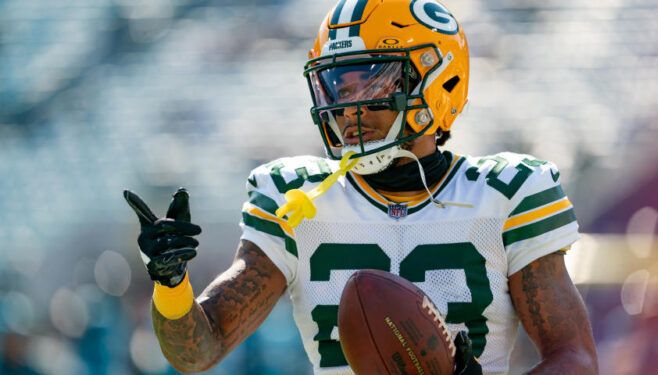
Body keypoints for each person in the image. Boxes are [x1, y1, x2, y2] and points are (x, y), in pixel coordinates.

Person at [123, 0, 598, 374]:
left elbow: (575, 358)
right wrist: (171, 284)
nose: (348, 110)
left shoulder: (508, 194)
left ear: (436, 83)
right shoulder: (295, 200)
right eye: (336, 88)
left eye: (371, 84)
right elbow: (196, 352)